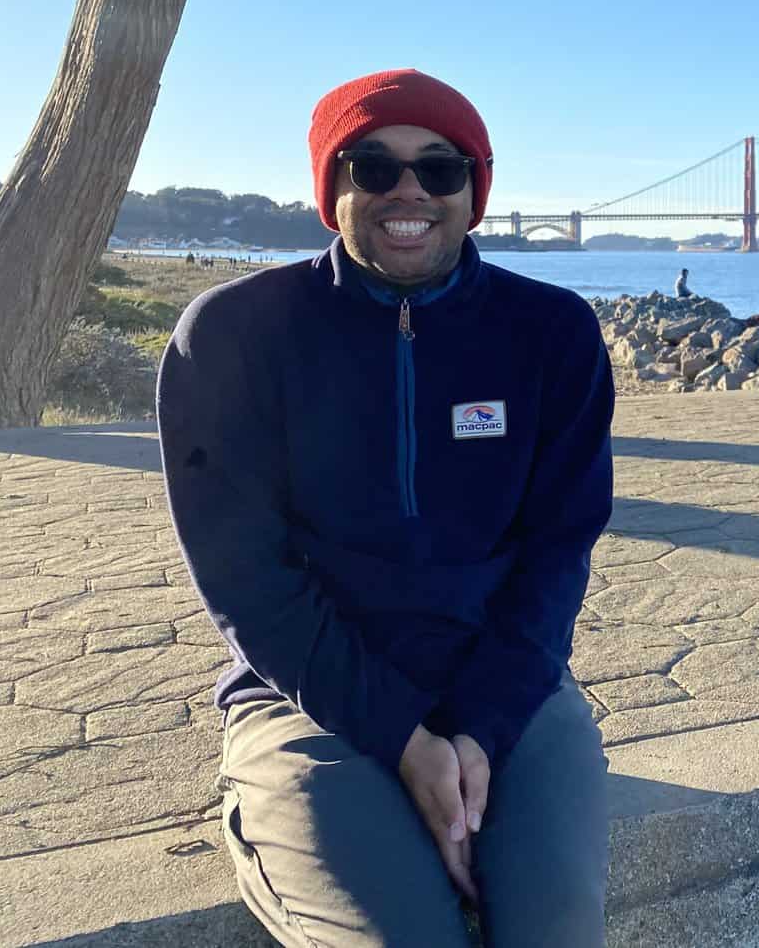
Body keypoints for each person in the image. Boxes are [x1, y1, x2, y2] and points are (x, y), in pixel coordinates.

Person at [158, 68, 615, 948]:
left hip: (508, 687)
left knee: (557, 929)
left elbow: (558, 551)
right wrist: (404, 741)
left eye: (440, 168)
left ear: (474, 193)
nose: (409, 191)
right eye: (372, 166)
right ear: (330, 188)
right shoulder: (231, 335)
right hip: (305, 699)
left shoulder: (552, 333)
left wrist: (478, 730)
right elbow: (247, 581)